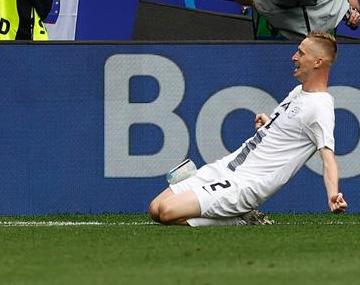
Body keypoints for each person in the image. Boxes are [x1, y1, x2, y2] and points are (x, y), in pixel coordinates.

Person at [148, 32, 346, 225]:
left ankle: (239, 219)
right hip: (228, 165)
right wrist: (269, 123)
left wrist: (333, 194)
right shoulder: (298, 92)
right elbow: (290, 131)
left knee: (168, 212)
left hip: (245, 184)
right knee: (155, 208)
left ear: (318, 62)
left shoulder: (321, 107)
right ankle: (233, 215)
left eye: (301, 53)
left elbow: (328, 158)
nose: (294, 57)